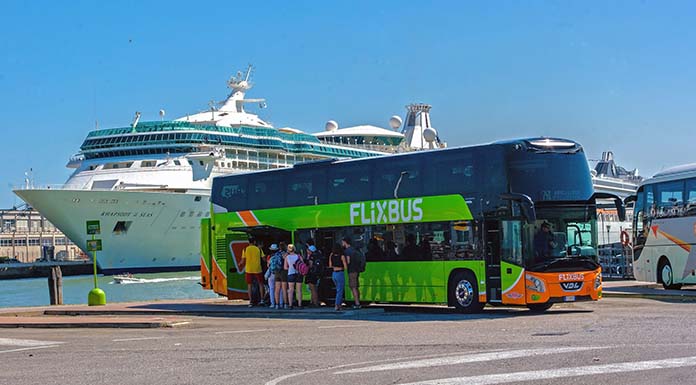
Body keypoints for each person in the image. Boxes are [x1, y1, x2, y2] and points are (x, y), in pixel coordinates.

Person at [241, 238, 265, 307]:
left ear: (249, 242)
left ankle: (251, 301)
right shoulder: (259, 249)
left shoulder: (245, 249)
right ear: (254, 242)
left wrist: (239, 264)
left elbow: (242, 261)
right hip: (258, 269)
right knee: (260, 284)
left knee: (249, 285)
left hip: (248, 269)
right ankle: (262, 300)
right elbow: (263, 259)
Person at [343, 237, 363, 309]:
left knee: (353, 287)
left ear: (345, 242)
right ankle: (358, 302)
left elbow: (348, 262)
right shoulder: (354, 249)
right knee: (356, 287)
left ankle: (357, 303)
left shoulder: (347, 251)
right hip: (356, 270)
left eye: (343, 242)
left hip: (351, 271)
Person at [328, 243, 348, 311]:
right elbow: (345, 266)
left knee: (338, 290)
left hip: (334, 274)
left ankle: (339, 305)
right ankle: (337, 305)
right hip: (340, 273)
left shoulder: (331, 255)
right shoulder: (342, 256)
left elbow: (330, 265)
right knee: (340, 290)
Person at [284, 244, 303, 309]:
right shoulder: (298, 256)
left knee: (291, 290)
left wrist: (290, 267)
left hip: (291, 273)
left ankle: (290, 305)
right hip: (298, 273)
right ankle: (300, 305)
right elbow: (302, 265)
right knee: (299, 290)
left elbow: (285, 267)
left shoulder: (287, 257)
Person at [265, 244, 281, 308]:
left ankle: (272, 303)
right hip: (278, 273)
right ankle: (280, 303)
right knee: (279, 289)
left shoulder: (269, 257)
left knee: (271, 289)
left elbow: (268, 265)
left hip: (271, 274)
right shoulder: (279, 256)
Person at [274, 241, 289, 309]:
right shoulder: (286, 254)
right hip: (283, 272)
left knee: (277, 289)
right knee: (284, 289)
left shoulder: (276, 254)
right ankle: (285, 304)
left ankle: (277, 304)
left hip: (277, 272)